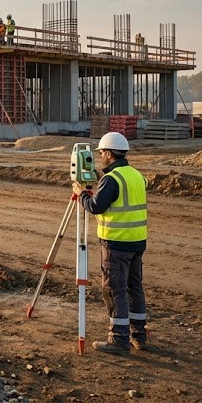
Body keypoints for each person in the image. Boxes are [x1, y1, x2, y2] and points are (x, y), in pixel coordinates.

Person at [72, 132, 149, 355]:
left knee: (115, 290)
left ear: (108, 153)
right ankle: (139, 335)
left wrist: (81, 194)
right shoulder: (135, 175)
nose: (100, 158)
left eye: (101, 154)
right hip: (137, 241)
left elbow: (96, 206)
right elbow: (124, 191)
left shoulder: (112, 180)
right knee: (135, 287)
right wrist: (102, 182)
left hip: (117, 244)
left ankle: (118, 339)